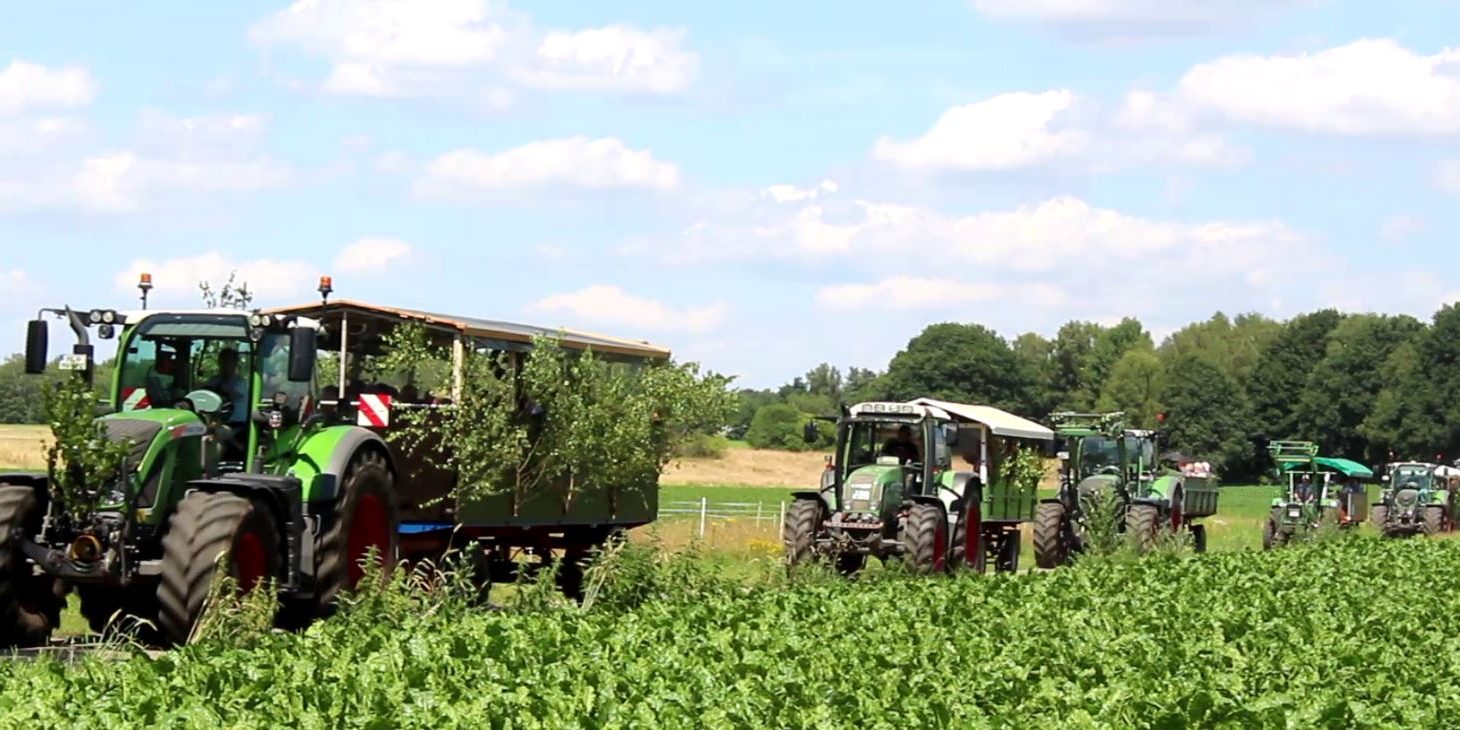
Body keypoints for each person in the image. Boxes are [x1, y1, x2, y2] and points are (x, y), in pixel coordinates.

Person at [204, 347, 249, 426]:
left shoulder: (240, 382)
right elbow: (205, 393)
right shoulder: (214, 380)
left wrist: (217, 389)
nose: (224, 364)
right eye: (222, 360)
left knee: (213, 435)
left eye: (228, 361)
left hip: (236, 423)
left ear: (235, 363)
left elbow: (231, 393)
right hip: (216, 422)